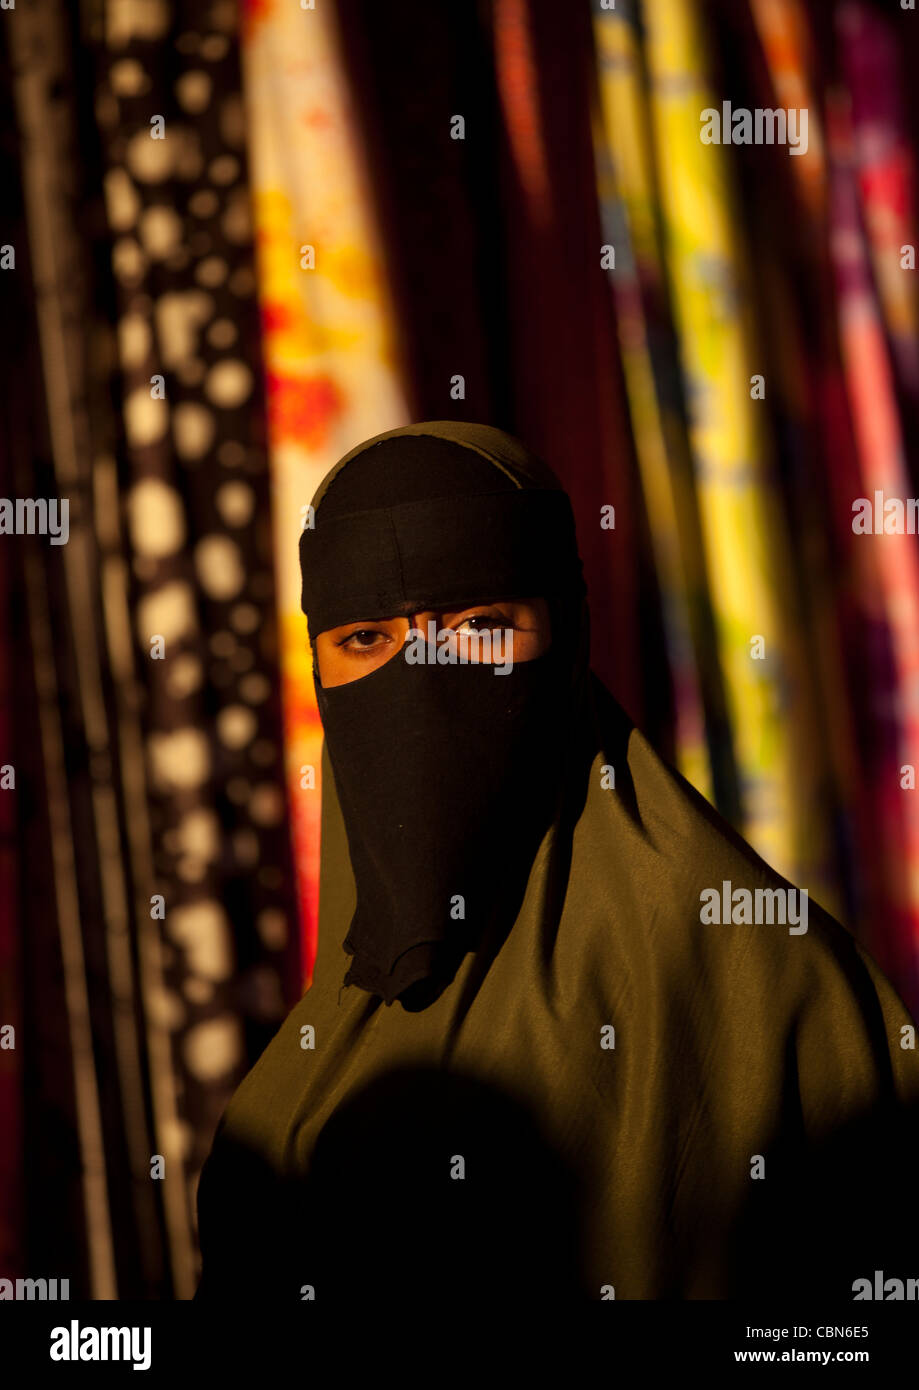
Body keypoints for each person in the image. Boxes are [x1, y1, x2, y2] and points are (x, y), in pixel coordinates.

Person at [194, 420, 919, 1303]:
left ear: (568, 636)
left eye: (479, 625)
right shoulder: (341, 1010)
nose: (420, 676)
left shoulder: (742, 967)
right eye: (365, 639)